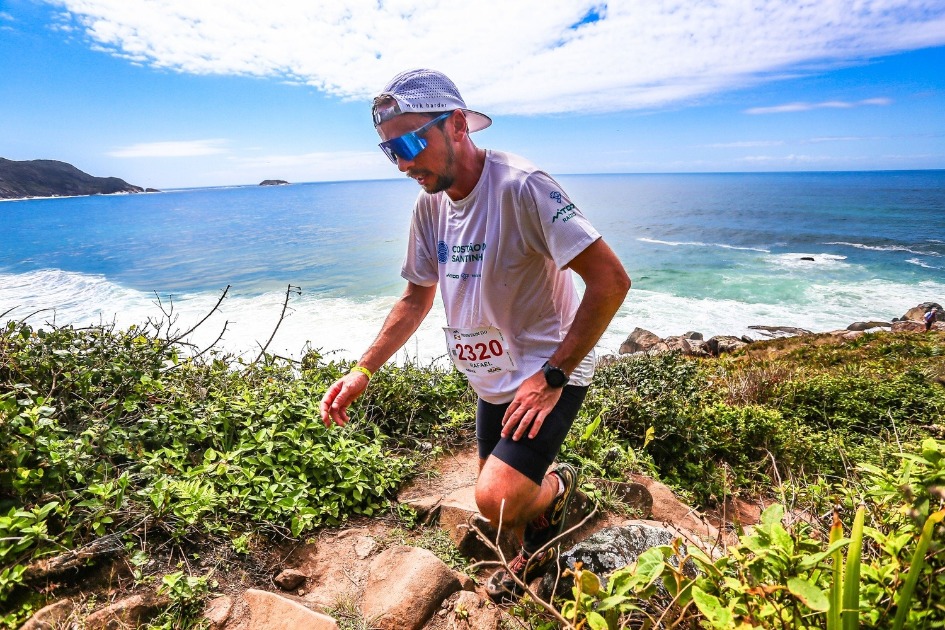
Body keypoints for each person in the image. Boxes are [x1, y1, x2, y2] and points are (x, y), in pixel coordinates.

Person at [319, 69, 630, 601]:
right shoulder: (429, 205)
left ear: (458, 125)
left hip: (547, 369)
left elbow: (610, 280)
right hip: (490, 377)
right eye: (389, 150)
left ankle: (562, 484)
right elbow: (416, 298)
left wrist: (554, 375)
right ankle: (519, 566)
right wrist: (362, 370)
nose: (402, 163)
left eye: (413, 142)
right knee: (503, 505)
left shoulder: (523, 187)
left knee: (496, 497)